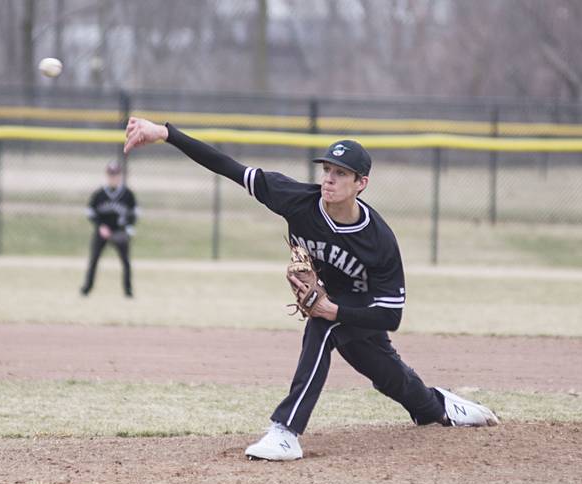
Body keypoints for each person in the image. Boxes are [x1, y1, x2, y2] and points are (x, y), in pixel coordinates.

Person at [124, 117, 499, 461]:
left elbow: (391, 314)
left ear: (361, 184)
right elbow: (228, 168)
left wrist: (335, 312)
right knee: (393, 381)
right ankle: (441, 406)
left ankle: (286, 431)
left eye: (341, 173)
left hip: (362, 309)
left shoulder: (378, 239)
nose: (329, 179)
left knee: (323, 328)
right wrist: (167, 134)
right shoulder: (297, 201)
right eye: (327, 170)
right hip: (338, 304)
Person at [81, 160, 138, 298]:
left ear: (120, 175)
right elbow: (90, 212)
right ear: (107, 175)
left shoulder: (127, 195)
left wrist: (128, 227)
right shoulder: (99, 194)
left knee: (125, 262)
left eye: (116, 174)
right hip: (102, 231)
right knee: (94, 260)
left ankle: (128, 291)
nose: (113, 177)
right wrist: (100, 226)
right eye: (111, 174)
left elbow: (134, 213)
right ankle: (86, 289)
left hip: (119, 232)